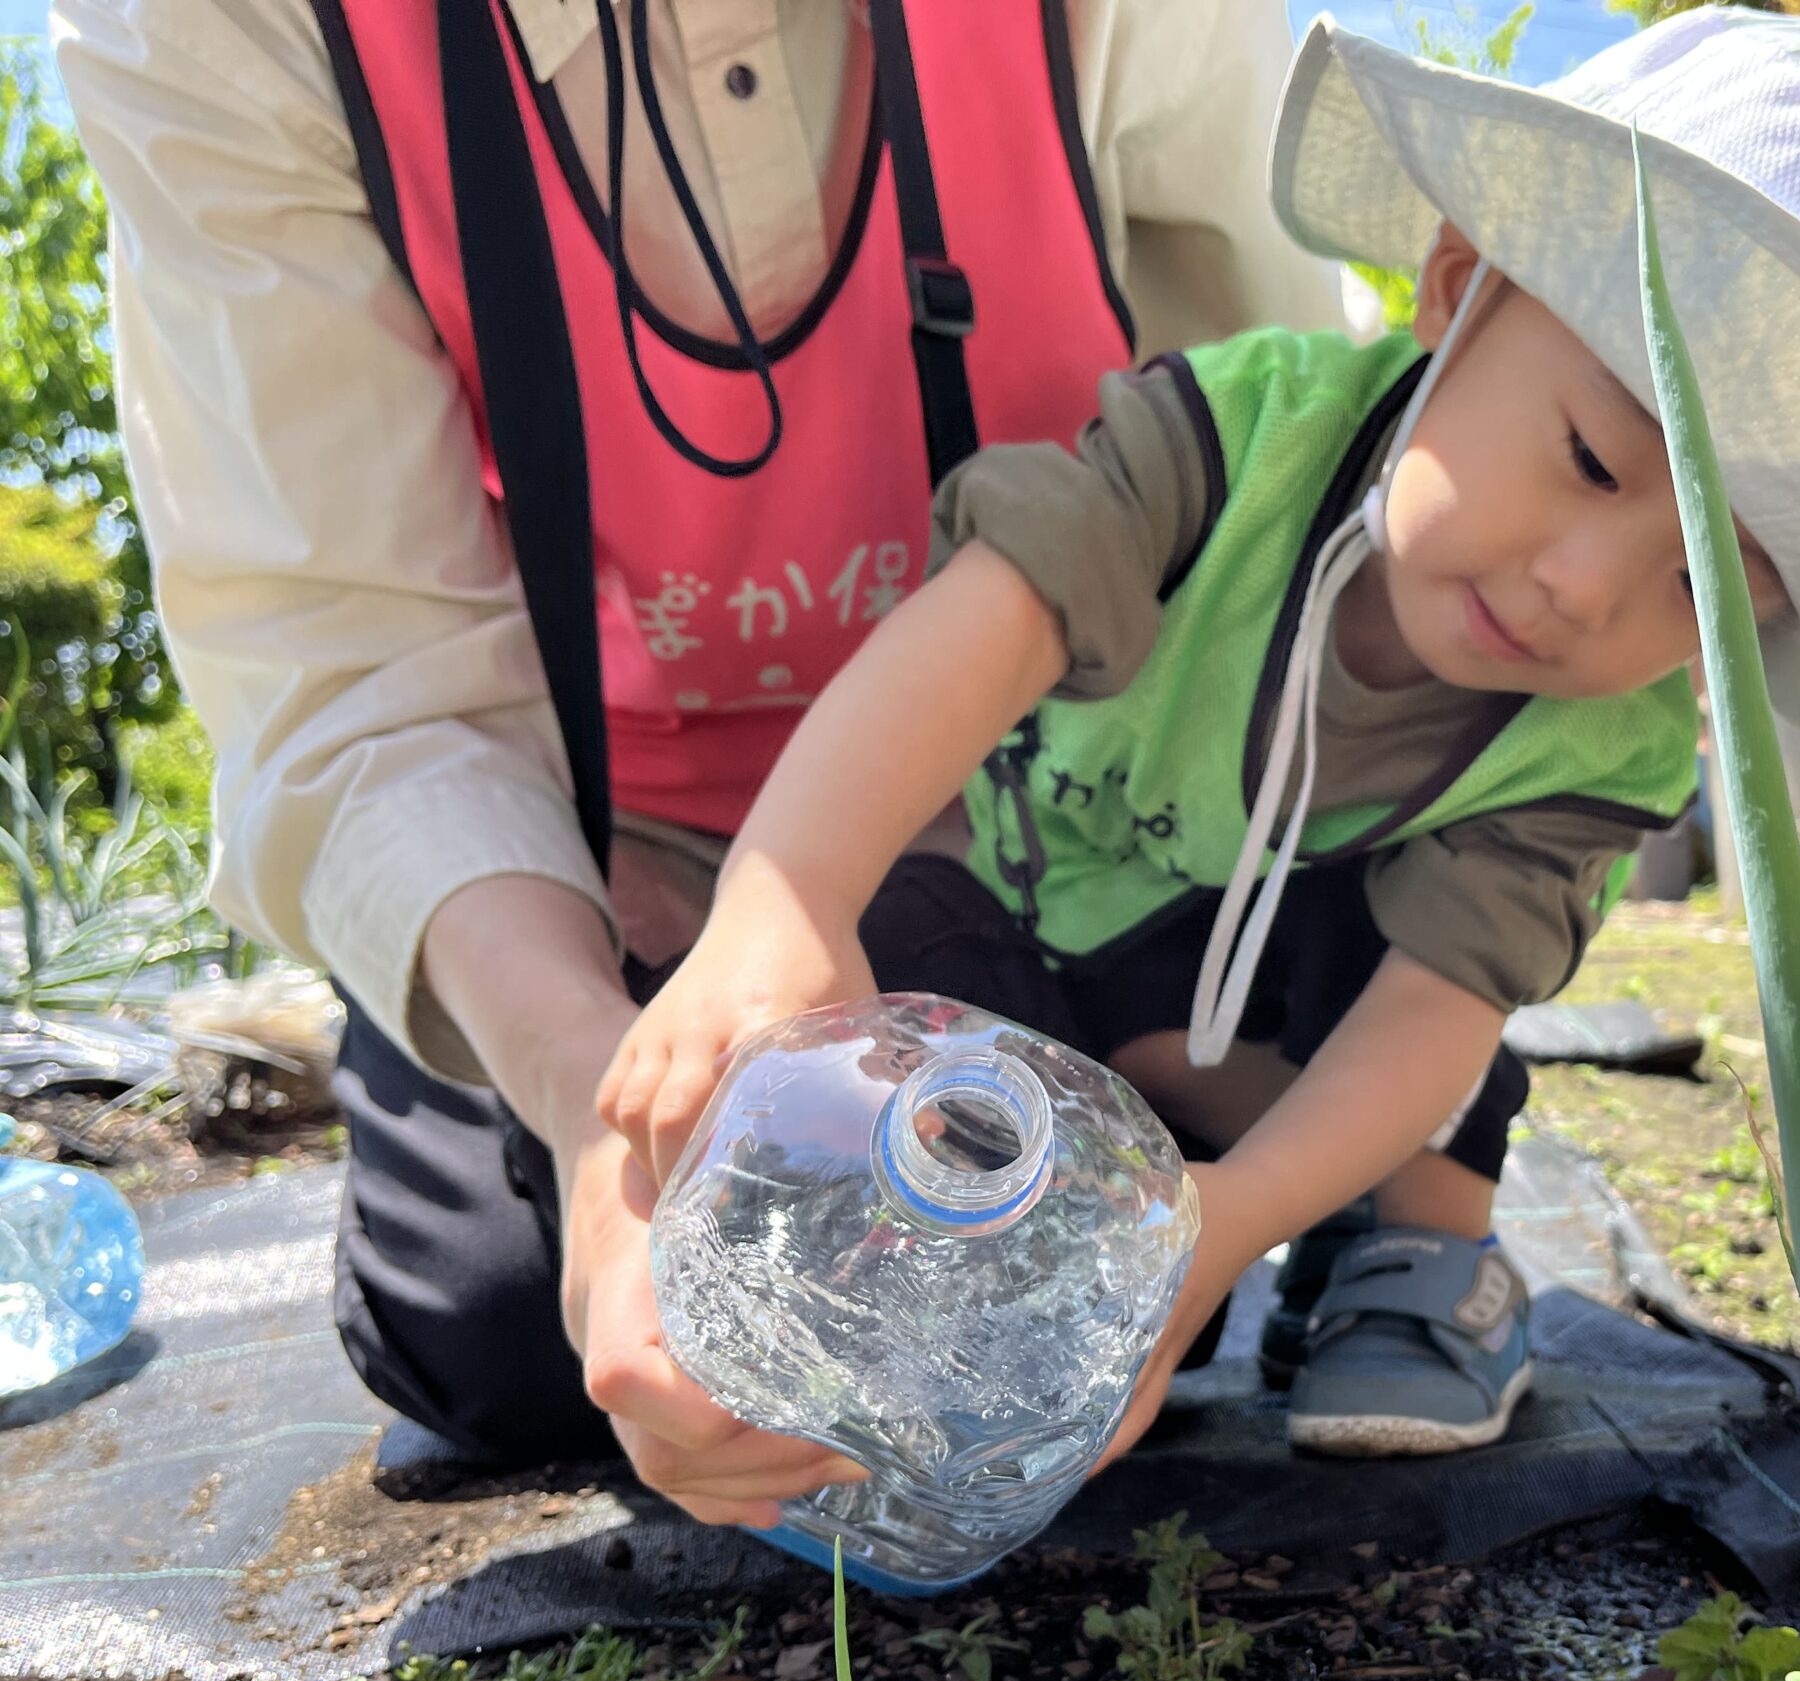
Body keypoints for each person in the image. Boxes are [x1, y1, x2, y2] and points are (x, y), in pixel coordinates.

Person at [598, 7, 1800, 1489]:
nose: (1582, 587)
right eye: (1592, 459)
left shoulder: (1606, 746)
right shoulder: (1235, 437)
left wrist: (1219, 1227)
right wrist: (782, 903)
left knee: (1426, 999)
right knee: (895, 1022)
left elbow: (1434, 1010)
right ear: (1460, 289)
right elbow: (986, 619)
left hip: (1284, 1015)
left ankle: (1417, 1250)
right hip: (1029, 926)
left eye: (1699, 583)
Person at [53, 0, 1344, 1524]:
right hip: (591, 844)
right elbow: (359, 664)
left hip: (1048, 813)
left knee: (1046, 1223)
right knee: (499, 1315)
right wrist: (592, 1122)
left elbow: (1272, 481)